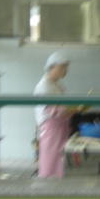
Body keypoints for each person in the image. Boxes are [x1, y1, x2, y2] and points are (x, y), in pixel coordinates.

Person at [33, 51, 78, 179]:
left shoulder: (57, 85)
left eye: (66, 67)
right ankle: (46, 184)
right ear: (51, 67)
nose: (65, 70)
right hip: (51, 127)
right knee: (50, 159)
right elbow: (52, 110)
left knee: (58, 159)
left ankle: (55, 184)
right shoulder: (44, 86)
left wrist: (74, 108)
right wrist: (73, 109)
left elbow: (62, 106)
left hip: (60, 126)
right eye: (62, 67)